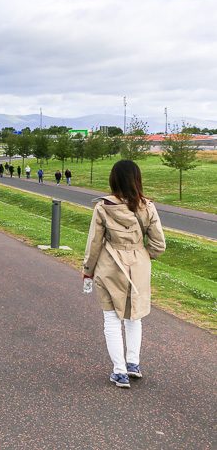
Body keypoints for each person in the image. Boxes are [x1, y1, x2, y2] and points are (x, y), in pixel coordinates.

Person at [83, 159, 165, 388]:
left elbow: (94, 244)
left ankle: (119, 371)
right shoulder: (147, 207)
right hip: (138, 266)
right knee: (134, 316)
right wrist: (143, 256)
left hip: (110, 266)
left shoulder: (103, 207)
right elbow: (159, 244)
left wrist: (87, 271)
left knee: (111, 318)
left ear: (113, 179)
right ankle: (133, 363)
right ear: (137, 179)